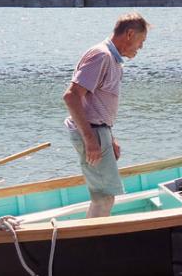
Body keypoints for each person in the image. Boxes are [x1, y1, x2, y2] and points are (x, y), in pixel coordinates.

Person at [63, 12, 150, 218]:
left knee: (104, 196)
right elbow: (71, 96)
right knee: (104, 197)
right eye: (141, 41)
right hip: (91, 132)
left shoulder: (113, 60)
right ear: (129, 34)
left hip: (99, 132)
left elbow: (96, 104)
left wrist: (109, 138)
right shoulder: (101, 55)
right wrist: (90, 139)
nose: (141, 47)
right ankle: (90, 244)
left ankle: (91, 239)